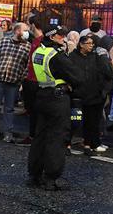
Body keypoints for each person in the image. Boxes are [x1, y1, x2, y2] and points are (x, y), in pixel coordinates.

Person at [28, 22, 79, 190]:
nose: (63, 38)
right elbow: (76, 76)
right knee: (56, 138)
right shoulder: (56, 55)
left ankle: (34, 175)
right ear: (51, 36)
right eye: (60, 35)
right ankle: (51, 177)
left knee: (40, 137)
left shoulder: (39, 51)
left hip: (42, 95)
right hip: (58, 99)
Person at [0, 21, 31, 143]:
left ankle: (8, 134)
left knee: (9, 108)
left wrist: (20, 79)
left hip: (13, 82)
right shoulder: (4, 41)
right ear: (17, 31)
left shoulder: (27, 46)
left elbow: (27, 66)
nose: (26, 33)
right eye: (24, 30)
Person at [68, 33, 113, 153]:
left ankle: (87, 144)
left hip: (93, 95)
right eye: (88, 43)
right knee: (75, 120)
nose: (91, 46)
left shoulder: (95, 56)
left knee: (91, 122)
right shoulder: (73, 57)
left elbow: (106, 72)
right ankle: (67, 144)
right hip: (77, 95)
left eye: (92, 44)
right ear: (81, 44)